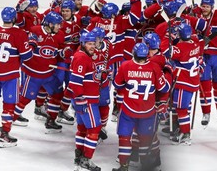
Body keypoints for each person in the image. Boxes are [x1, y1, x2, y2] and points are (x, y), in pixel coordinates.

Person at [112, 43, 170, 171]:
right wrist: (168, 71)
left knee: (124, 137)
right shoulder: (154, 67)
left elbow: (117, 83)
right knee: (146, 138)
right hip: (147, 111)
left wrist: (127, 84)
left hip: (128, 109)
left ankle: (124, 165)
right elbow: (164, 88)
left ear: (134, 53)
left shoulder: (125, 65)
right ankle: (146, 165)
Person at [0, 7, 33, 148]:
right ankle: (4, 135)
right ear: (15, 19)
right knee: (9, 105)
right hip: (9, 75)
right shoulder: (20, 33)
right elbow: (27, 56)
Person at [13, 11, 72, 133]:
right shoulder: (35, 31)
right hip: (33, 73)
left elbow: (60, 51)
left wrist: (64, 52)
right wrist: (30, 42)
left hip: (49, 74)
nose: (59, 27)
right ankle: (12, 117)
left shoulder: (59, 35)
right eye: (57, 24)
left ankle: (51, 120)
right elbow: (26, 48)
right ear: (49, 24)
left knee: (57, 94)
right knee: (25, 97)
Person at [64, 31, 101, 171]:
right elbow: (74, 82)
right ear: (83, 43)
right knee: (94, 129)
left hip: (83, 99)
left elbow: (84, 78)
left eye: (93, 43)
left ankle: (78, 157)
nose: (92, 46)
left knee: (82, 128)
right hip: (87, 101)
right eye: (89, 44)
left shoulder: (84, 56)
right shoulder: (82, 58)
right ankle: (86, 160)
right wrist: (80, 99)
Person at [168, 23, 204, 145]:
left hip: (183, 83)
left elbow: (167, 51)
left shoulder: (181, 48)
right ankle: (183, 129)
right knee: (184, 107)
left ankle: (185, 134)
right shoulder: (195, 44)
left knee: (181, 109)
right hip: (193, 82)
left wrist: (168, 35)